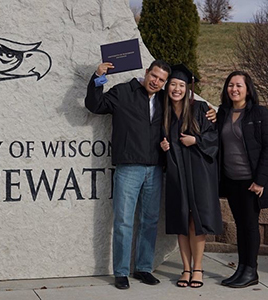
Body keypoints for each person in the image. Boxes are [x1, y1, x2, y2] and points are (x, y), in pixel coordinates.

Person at [85, 60, 216, 290]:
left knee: (150, 221)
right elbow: (95, 105)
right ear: (147, 73)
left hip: (155, 168)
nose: (156, 82)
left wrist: (214, 112)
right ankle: (122, 272)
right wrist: (98, 77)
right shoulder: (124, 92)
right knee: (124, 221)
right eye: (154, 76)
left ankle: (143, 267)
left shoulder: (165, 99)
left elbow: (189, 104)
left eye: (162, 80)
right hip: (129, 167)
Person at [160, 64, 222, 288]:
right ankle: (185, 269)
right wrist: (164, 146)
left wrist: (196, 140)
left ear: (188, 88)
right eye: (173, 84)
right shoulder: (164, 111)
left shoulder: (201, 108)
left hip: (199, 174)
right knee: (181, 221)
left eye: (181, 85)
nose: (177, 89)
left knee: (197, 221)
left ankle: (198, 268)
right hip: (177, 174)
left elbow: (215, 138)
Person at [217, 71, 268, 288]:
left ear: (248, 89)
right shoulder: (223, 112)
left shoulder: (259, 113)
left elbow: (267, 148)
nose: (234, 89)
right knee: (240, 224)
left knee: (249, 225)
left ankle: (251, 271)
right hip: (231, 179)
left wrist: (260, 181)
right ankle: (241, 268)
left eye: (239, 85)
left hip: (250, 181)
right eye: (230, 85)